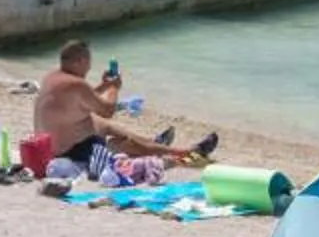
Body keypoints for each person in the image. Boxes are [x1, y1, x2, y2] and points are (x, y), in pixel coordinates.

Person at [31, 40, 212, 172]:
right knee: (124, 144)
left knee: (103, 124)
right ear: (79, 62)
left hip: (52, 146)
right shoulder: (77, 84)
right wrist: (114, 88)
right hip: (72, 152)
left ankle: (153, 143)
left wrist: (103, 86)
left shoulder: (54, 78)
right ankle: (184, 153)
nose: (88, 68)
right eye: (88, 63)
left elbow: (79, 102)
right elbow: (108, 110)